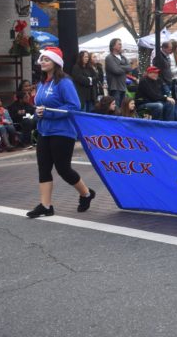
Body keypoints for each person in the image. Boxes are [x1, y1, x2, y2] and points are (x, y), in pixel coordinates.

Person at [27, 47, 96, 218]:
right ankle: (45, 206)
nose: (42, 62)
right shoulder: (42, 83)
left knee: (63, 169)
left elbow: (74, 106)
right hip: (44, 131)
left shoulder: (64, 82)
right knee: (43, 168)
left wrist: (48, 113)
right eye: (41, 59)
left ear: (55, 63)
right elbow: (39, 106)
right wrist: (38, 113)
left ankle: (86, 194)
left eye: (46, 59)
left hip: (63, 131)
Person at [105, 38, 135, 107]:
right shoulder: (109, 58)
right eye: (119, 44)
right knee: (116, 109)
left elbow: (130, 68)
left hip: (123, 87)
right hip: (114, 87)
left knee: (122, 109)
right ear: (113, 46)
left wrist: (120, 66)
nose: (121, 46)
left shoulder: (123, 57)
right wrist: (124, 67)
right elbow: (116, 70)